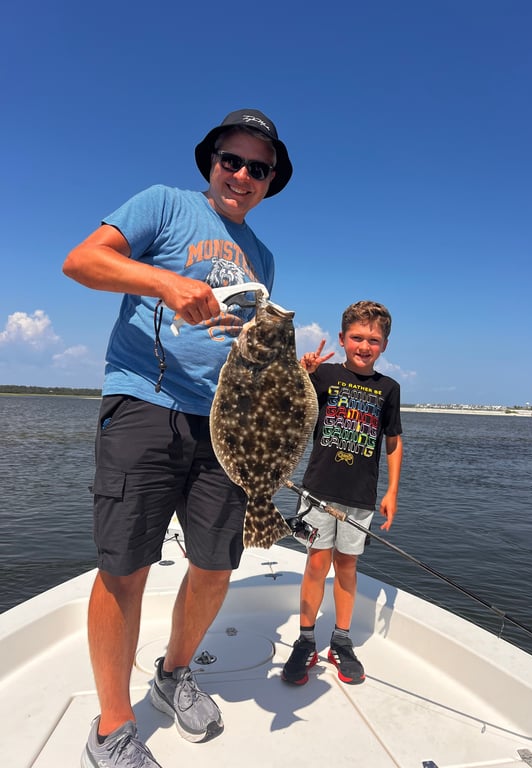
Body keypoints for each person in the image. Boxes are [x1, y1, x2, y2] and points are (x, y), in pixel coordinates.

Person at [62, 108, 293, 768]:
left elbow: (245, 350)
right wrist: (165, 281)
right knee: (125, 567)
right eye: (231, 160)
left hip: (224, 423)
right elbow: (82, 261)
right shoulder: (164, 204)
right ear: (212, 163)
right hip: (144, 399)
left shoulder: (263, 257)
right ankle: (112, 727)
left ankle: (172, 672)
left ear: (269, 181)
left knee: (217, 565)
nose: (242, 175)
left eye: (258, 168)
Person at [282, 301, 403, 686]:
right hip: (318, 490)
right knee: (317, 564)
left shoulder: (389, 388)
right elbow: (289, 401)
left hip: (360, 496)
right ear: (342, 339)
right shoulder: (325, 375)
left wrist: (392, 491)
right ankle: (305, 641)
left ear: (384, 345)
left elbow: (393, 441)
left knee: (347, 567)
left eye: (373, 340)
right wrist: (302, 370)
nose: (364, 346)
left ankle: (341, 640)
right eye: (357, 337)